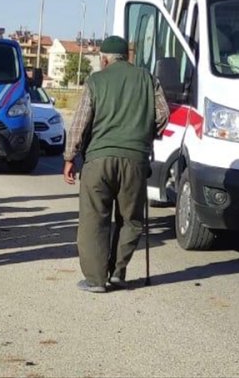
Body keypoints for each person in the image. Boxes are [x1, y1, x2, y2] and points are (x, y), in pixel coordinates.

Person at [62, 35, 169, 293]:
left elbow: (80, 122)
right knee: (130, 220)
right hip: (135, 159)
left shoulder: (96, 81)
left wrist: (69, 156)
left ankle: (96, 280)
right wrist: (144, 133)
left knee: (93, 219)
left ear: (105, 58)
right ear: (128, 57)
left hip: (98, 159)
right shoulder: (148, 79)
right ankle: (118, 272)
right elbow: (163, 113)